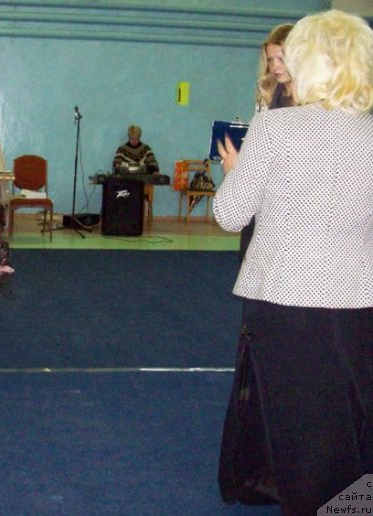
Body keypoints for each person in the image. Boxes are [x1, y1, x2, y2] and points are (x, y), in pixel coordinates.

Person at [214, 10, 373, 514]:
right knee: (355, 427)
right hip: (361, 301)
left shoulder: (275, 127)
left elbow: (229, 213)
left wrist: (236, 172)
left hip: (285, 303)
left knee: (303, 438)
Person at [236, 23, 295, 262]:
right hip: (261, 199)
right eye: (271, 60)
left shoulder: (311, 101)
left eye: (281, 59)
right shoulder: (268, 96)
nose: (275, 67)